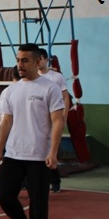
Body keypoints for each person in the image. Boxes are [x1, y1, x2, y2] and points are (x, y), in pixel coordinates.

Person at [0, 43, 65, 219]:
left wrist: (53, 152)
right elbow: (6, 121)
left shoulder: (49, 88)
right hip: (14, 153)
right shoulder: (11, 91)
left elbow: (58, 121)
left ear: (37, 62)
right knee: (3, 195)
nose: (20, 65)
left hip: (39, 156)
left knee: (39, 203)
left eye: (25, 60)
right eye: (18, 60)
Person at [38, 48, 72, 193]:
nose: (38, 62)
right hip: (38, 120)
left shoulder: (56, 77)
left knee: (50, 151)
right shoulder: (32, 78)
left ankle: (55, 180)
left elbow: (65, 97)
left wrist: (64, 116)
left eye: (41, 59)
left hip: (53, 118)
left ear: (46, 60)